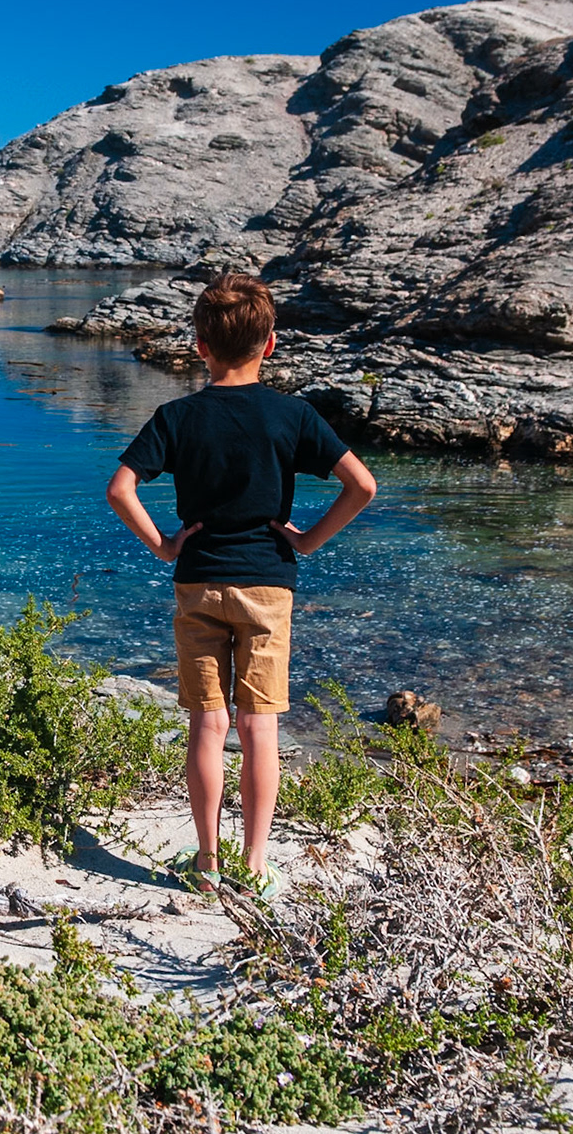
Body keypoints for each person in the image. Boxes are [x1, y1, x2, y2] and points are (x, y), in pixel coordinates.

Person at [105, 273, 376, 897]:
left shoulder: (176, 416)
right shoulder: (294, 415)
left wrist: (165, 544)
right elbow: (362, 486)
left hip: (198, 581)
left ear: (199, 345)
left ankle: (205, 862)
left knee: (208, 723)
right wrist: (307, 540)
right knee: (259, 727)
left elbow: (121, 489)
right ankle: (254, 866)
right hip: (267, 587)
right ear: (271, 344)